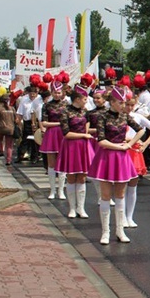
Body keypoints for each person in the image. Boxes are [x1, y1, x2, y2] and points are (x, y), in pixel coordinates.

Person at [88, 87, 145, 245]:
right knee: (105, 196)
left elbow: (140, 131)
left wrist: (129, 143)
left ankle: (120, 230)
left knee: (120, 195)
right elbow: (100, 139)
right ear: (112, 102)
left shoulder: (125, 116)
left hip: (121, 157)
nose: (123, 105)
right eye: (120, 102)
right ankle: (105, 232)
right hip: (106, 156)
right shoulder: (102, 117)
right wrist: (120, 147)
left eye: (124, 102)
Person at [56, 85, 95, 218]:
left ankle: (81, 208)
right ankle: (72, 208)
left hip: (83, 146)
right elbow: (66, 133)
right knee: (72, 176)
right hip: (71, 146)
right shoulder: (65, 111)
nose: (86, 101)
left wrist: (86, 135)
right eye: (84, 99)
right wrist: (83, 136)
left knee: (82, 177)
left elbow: (87, 126)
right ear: (77, 99)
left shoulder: (86, 112)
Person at [124, 93, 150, 228]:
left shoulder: (138, 117)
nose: (128, 107)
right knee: (121, 186)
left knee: (132, 186)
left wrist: (145, 144)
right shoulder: (118, 117)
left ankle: (129, 216)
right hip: (122, 150)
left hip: (134, 152)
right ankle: (122, 216)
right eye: (126, 104)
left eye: (131, 105)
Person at [39, 81, 68, 199]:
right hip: (51, 134)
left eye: (59, 92)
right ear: (51, 92)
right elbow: (44, 122)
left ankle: (61, 190)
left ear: (62, 93)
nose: (57, 94)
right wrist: (58, 123)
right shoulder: (46, 105)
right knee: (51, 164)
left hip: (63, 134)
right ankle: (52, 190)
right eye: (55, 92)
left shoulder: (66, 105)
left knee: (62, 162)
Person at [16, 85, 41, 164]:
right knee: (25, 139)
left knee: (35, 140)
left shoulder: (39, 99)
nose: (32, 95)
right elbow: (20, 112)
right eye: (31, 93)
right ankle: (20, 156)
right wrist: (18, 120)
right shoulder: (24, 100)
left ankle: (34, 157)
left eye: (34, 93)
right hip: (27, 122)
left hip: (37, 122)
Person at [0, 94, 17, 165]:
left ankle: (1, 151)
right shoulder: (12, 108)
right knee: (9, 145)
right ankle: (8, 160)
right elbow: (16, 119)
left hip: (1, 127)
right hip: (10, 128)